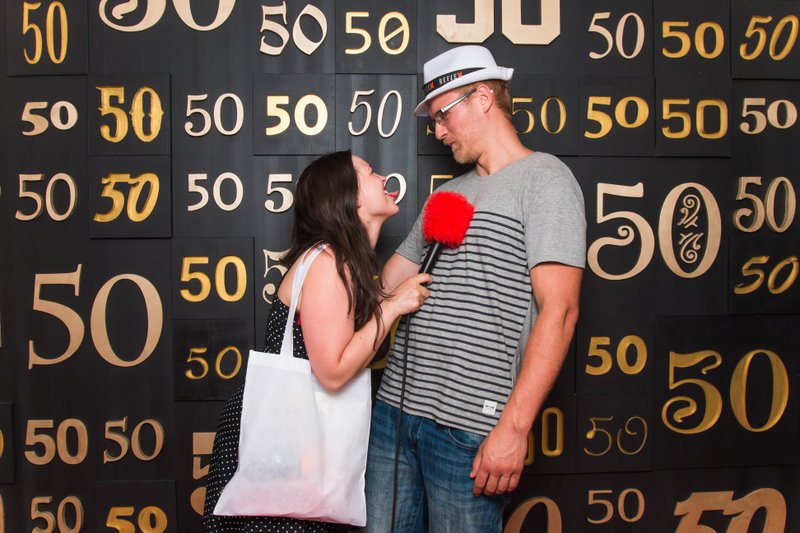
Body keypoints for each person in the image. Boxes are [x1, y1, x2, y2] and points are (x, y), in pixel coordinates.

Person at [364, 45, 586, 532]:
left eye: (442, 116)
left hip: (469, 427)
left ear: (483, 98)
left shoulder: (546, 180)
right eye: (434, 122)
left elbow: (561, 311)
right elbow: (385, 286)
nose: (438, 132)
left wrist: (514, 427)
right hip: (395, 413)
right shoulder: (447, 194)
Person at [203, 150, 432, 532]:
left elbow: (383, 293)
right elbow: (333, 372)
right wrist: (393, 308)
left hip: (298, 443)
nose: (383, 178)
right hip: (285, 444)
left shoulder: (344, 262)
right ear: (350, 196)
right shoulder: (329, 262)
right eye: (370, 173)